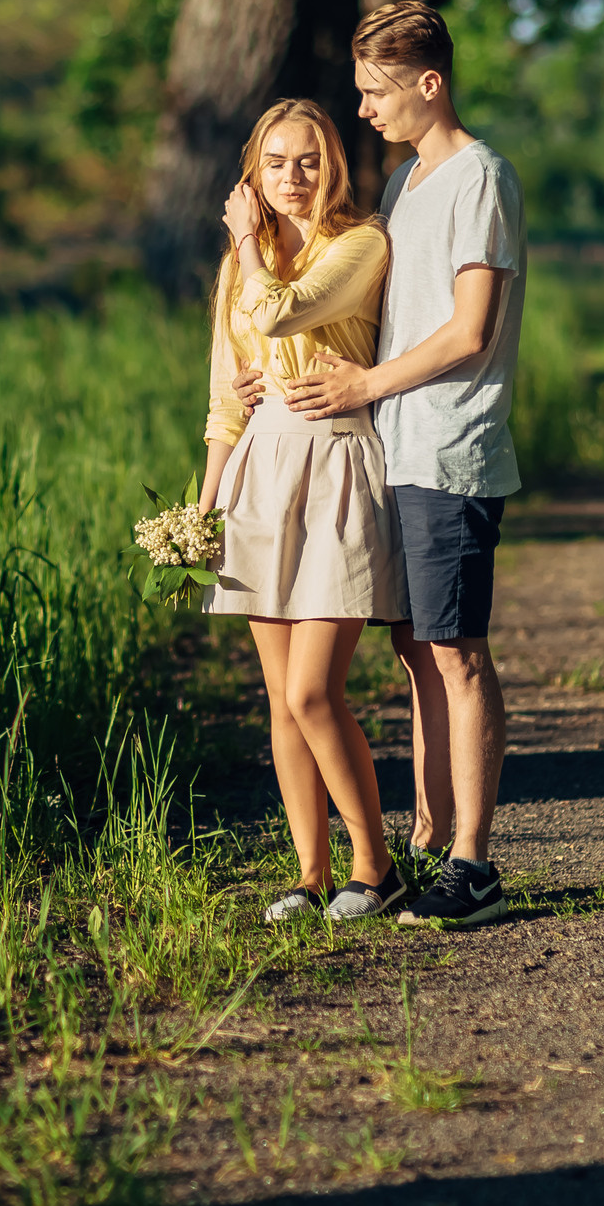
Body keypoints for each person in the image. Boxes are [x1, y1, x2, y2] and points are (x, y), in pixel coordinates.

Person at [277, 1, 525, 929]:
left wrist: (366, 383)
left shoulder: (479, 179)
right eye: (360, 93)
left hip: (452, 447)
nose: (366, 110)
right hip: (396, 446)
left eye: (378, 92)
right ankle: (428, 845)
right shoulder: (407, 184)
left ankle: (476, 866)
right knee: (418, 649)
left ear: (430, 83)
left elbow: (469, 331)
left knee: (458, 652)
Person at [199, 98, 414, 924]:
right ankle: (310, 871)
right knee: (279, 695)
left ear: (335, 167)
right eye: (276, 163)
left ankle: (377, 865)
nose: (293, 179)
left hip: (335, 462)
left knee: (316, 690)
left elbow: (284, 311)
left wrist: (251, 244)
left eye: (310, 161)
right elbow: (226, 399)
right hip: (264, 467)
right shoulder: (236, 267)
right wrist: (203, 510)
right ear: (254, 171)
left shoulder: (361, 244)